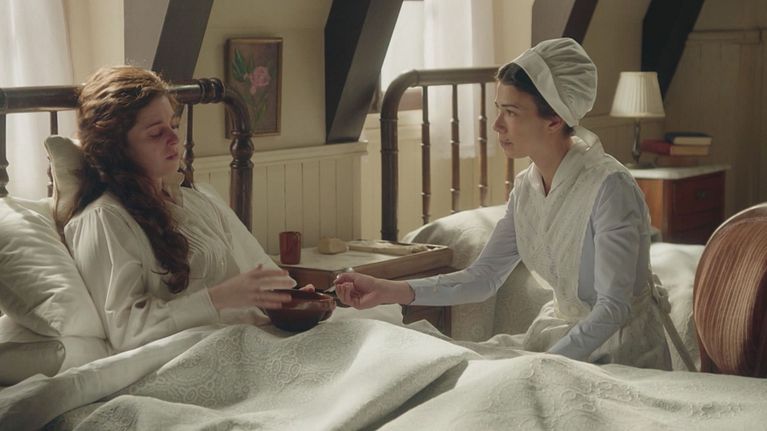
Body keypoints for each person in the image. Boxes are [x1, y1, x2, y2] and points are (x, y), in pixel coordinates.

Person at [335, 38, 674, 370]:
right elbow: (483, 278)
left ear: (554, 119)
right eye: (499, 109)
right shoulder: (526, 188)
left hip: (618, 351)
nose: (496, 125)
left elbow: (613, 308)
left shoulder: (609, 187)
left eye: (510, 112)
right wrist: (385, 290)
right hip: (556, 341)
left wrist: (544, 365)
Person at [63, 66, 304, 353]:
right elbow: (127, 331)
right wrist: (217, 298)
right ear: (117, 147)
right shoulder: (104, 219)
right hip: (189, 358)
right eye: (156, 133)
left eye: (174, 126)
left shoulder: (196, 201)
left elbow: (253, 276)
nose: (174, 139)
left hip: (249, 341)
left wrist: (294, 301)